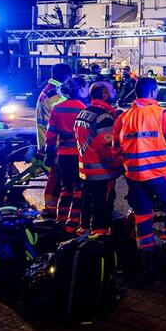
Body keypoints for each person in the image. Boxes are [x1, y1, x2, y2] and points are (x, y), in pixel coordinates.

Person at [113, 77, 166, 267]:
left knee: (143, 214)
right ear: (153, 92)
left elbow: (115, 148)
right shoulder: (161, 113)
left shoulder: (123, 117)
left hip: (134, 177)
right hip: (160, 173)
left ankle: (146, 255)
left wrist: (127, 165)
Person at [74, 81, 122, 236]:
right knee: (102, 205)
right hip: (102, 171)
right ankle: (99, 238)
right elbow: (107, 149)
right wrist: (120, 165)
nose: (114, 94)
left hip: (86, 170)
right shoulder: (104, 117)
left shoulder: (84, 112)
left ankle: (85, 231)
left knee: (87, 202)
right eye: (112, 91)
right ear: (105, 95)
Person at [45, 76, 89, 234]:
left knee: (65, 188)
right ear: (80, 89)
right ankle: (73, 222)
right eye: (86, 87)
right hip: (79, 154)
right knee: (79, 189)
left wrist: (50, 153)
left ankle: (61, 219)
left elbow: (50, 134)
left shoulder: (57, 108)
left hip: (62, 154)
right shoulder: (84, 108)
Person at [37, 63, 73, 219]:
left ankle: (55, 205)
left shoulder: (49, 90)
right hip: (54, 142)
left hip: (48, 139)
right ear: (67, 76)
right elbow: (64, 115)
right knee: (56, 176)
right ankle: (51, 208)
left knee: (57, 175)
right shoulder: (54, 94)